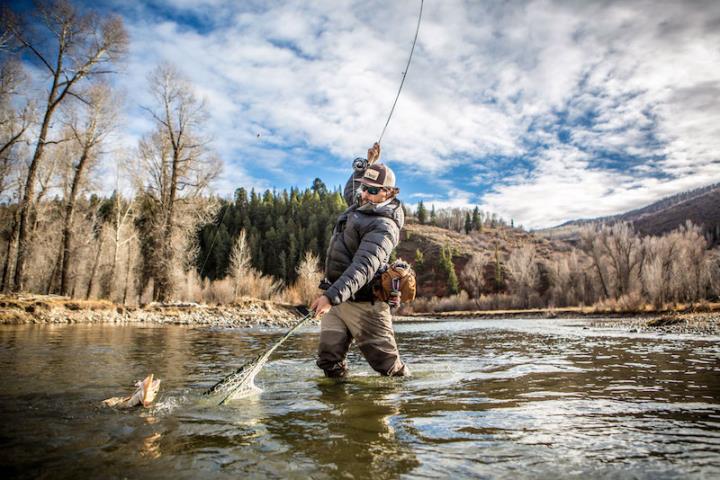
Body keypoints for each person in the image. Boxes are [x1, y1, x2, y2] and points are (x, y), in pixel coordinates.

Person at [310, 142, 409, 378]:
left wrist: (329, 297)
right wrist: (368, 165)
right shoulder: (361, 205)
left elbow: (363, 267)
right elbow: (351, 191)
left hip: (366, 305)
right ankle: (339, 410)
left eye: (373, 191)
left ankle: (400, 406)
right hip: (337, 300)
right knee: (329, 363)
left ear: (389, 193)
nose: (364, 194)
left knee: (389, 371)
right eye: (364, 187)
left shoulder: (385, 226)